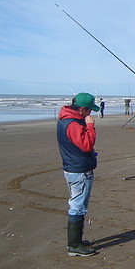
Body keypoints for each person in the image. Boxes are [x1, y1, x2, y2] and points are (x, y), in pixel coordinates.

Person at [56, 92, 99, 256]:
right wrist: (89, 126)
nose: (90, 114)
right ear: (81, 109)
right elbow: (87, 144)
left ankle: (77, 242)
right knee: (78, 206)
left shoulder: (65, 119)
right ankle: (74, 245)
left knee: (77, 204)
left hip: (72, 167)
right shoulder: (73, 124)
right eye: (89, 111)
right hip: (78, 170)